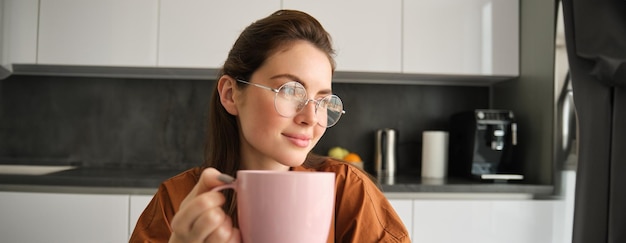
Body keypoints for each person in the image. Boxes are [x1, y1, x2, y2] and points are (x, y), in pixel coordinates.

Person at [130, 9, 409, 243]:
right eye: (290, 91)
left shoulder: (349, 191)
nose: (311, 118)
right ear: (230, 94)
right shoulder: (177, 203)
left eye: (323, 101)